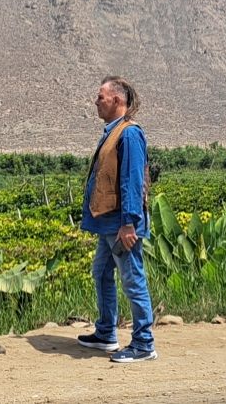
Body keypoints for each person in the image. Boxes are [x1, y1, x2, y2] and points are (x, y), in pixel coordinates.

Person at [77, 76, 157, 362]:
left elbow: (132, 181)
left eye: (100, 97)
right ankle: (106, 332)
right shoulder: (114, 132)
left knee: (132, 279)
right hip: (108, 223)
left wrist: (129, 222)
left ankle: (144, 343)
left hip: (122, 225)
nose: (96, 102)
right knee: (100, 272)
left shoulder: (129, 134)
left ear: (117, 100)